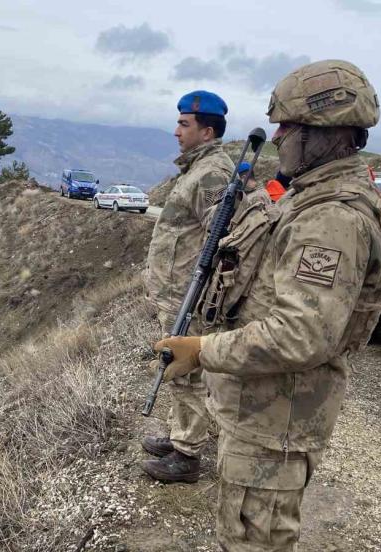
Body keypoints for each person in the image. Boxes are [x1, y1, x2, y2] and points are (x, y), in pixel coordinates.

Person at [151, 60, 381, 550]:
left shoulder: (330, 218)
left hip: (277, 417)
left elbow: (302, 333)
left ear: (325, 133)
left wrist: (202, 350)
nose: (280, 136)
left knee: (255, 539)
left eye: (289, 126)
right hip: (263, 409)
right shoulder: (308, 198)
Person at [142, 90, 235, 483]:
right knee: (178, 367)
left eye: (185, 124)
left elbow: (223, 235)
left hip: (189, 296)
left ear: (207, 131)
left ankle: (187, 455)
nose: (176, 131)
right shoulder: (198, 168)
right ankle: (180, 434)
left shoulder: (212, 173)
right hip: (177, 291)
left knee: (185, 370)